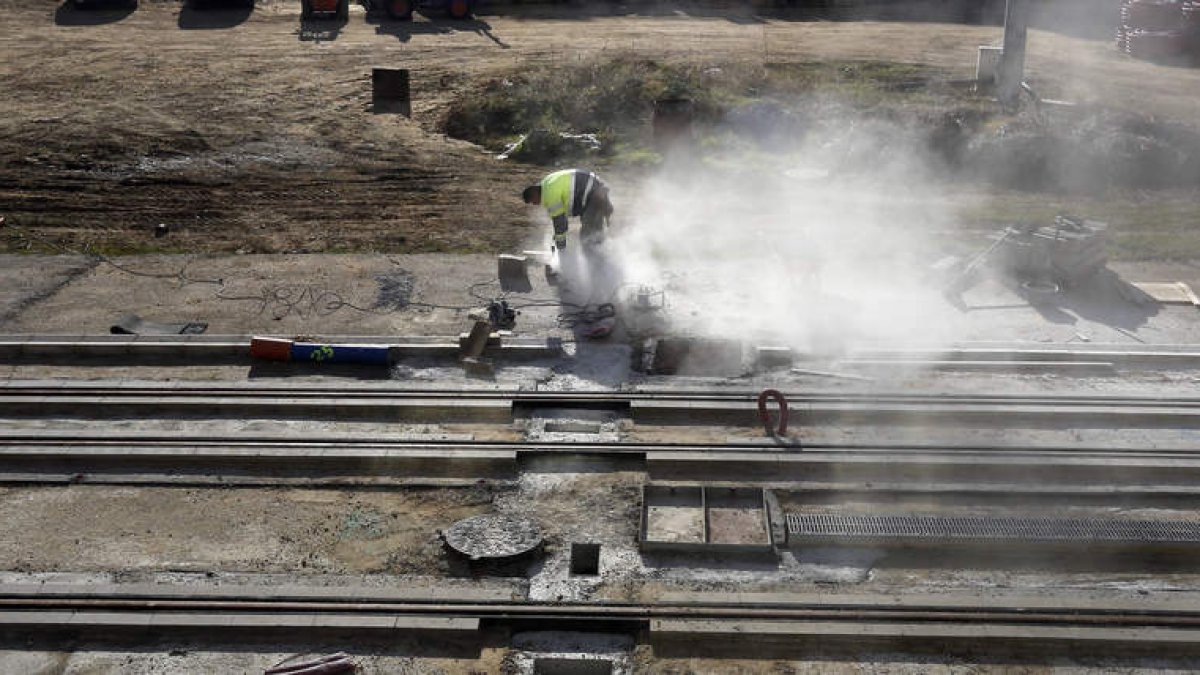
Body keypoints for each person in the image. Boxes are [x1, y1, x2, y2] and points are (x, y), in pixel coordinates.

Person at [521, 169, 613, 253]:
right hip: (595, 188)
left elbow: (560, 223)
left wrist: (561, 248)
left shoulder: (550, 195)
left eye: (533, 201)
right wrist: (557, 238)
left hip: (593, 194)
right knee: (593, 232)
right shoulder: (547, 184)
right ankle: (599, 255)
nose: (535, 204)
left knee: (589, 234)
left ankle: (597, 261)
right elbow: (562, 222)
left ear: (534, 193)